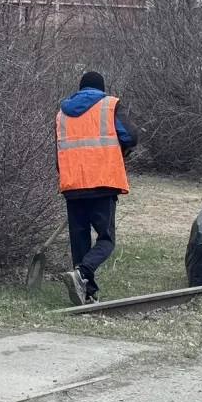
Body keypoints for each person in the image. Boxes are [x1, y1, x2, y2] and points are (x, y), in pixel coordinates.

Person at [56, 70, 138, 305]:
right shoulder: (109, 106)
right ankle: (82, 273)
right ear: (101, 88)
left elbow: (59, 155)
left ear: (79, 88)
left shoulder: (62, 113)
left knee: (79, 240)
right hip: (103, 182)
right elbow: (131, 137)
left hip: (73, 186)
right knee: (105, 239)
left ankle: (86, 292)